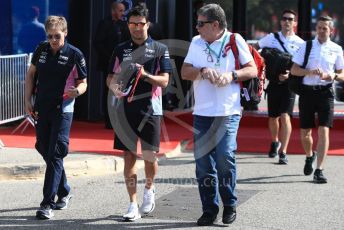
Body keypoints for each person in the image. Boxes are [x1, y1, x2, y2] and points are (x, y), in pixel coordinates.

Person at [181, 4, 257, 226]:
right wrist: (203, 72)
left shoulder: (235, 40)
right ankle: (209, 209)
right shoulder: (197, 42)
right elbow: (185, 71)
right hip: (202, 113)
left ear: (215, 24)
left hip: (228, 111)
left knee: (224, 158)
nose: (197, 27)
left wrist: (231, 75)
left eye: (200, 23)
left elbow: (251, 69)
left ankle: (230, 203)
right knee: (203, 164)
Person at [106, 5, 172, 221]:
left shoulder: (160, 48)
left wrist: (145, 76)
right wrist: (114, 88)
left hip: (151, 110)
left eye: (140, 24)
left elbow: (165, 80)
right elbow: (109, 77)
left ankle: (149, 190)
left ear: (147, 24)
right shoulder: (120, 49)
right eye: (132, 24)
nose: (136, 28)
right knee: (128, 156)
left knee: (150, 156)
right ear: (128, 25)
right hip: (124, 111)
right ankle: (132, 203)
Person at [24, 15, 87, 219]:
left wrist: (77, 91)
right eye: (50, 36)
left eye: (57, 36)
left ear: (65, 33)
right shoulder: (41, 49)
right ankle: (65, 191)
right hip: (42, 108)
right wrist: (27, 101)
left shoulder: (74, 54)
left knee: (55, 153)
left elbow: (84, 83)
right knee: (43, 148)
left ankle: (47, 204)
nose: (53, 40)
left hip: (63, 110)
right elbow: (31, 74)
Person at [291, 16, 344, 183]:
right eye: (319, 28)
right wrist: (310, 72)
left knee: (323, 131)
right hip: (307, 92)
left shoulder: (336, 49)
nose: (321, 31)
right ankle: (309, 155)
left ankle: (319, 170)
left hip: (326, 93)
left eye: (325, 28)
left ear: (331, 30)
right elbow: (294, 70)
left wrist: (333, 75)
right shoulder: (306, 46)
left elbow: (342, 74)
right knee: (305, 132)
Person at [256, 9, 304, 164]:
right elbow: (254, 49)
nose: (287, 21)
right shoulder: (271, 38)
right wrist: (261, 68)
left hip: (289, 85)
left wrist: (290, 74)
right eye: (284, 19)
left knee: (285, 116)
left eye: (290, 19)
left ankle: (283, 151)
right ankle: (274, 141)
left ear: (295, 23)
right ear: (281, 21)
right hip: (274, 84)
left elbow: (302, 64)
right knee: (273, 118)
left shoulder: (300, 43)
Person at [94, 1, 130, 129]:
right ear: (113, 11)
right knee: (109, 91)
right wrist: (111, 57)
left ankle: (121, 119)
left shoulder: (124, 25)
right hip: (108, 63)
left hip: (123, 64)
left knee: (122, 90)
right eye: (120, 10)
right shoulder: (105, 23)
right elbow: (97, 43)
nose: (122, 13)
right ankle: (109, 120)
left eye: (123, 10)